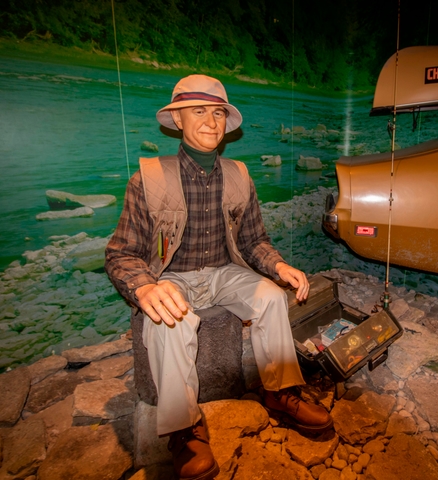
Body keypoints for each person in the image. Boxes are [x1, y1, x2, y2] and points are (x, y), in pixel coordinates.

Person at [105, 74, 332, 480]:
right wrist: (144, 285)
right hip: (171, 276)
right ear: (177, 119)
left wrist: (279, 266)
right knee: (168, 318)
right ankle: (183, 428)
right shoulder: (148, 178)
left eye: (218, 112)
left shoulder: (240, 175)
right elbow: (121, 253)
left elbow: (254, 240)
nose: (211, 121)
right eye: (198, 111)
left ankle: (280, 391)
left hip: (226, 272)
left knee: (270, 296)